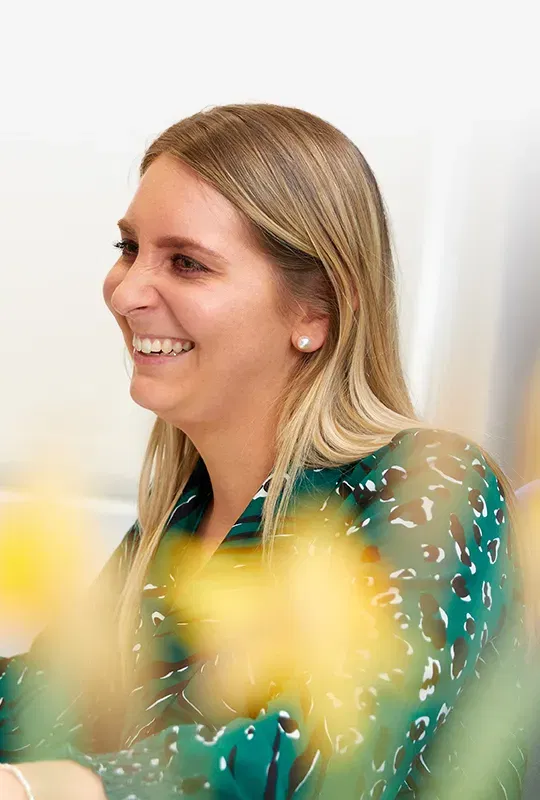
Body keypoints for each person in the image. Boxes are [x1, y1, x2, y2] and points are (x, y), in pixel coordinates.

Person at [0, 103, 528, 799]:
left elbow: (309, 759)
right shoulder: (183, 516)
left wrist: (30, 788)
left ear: (316, 311)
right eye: (128, 248)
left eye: (186, 263)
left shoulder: (431, 489)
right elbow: (46, 699)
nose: (125, 292)